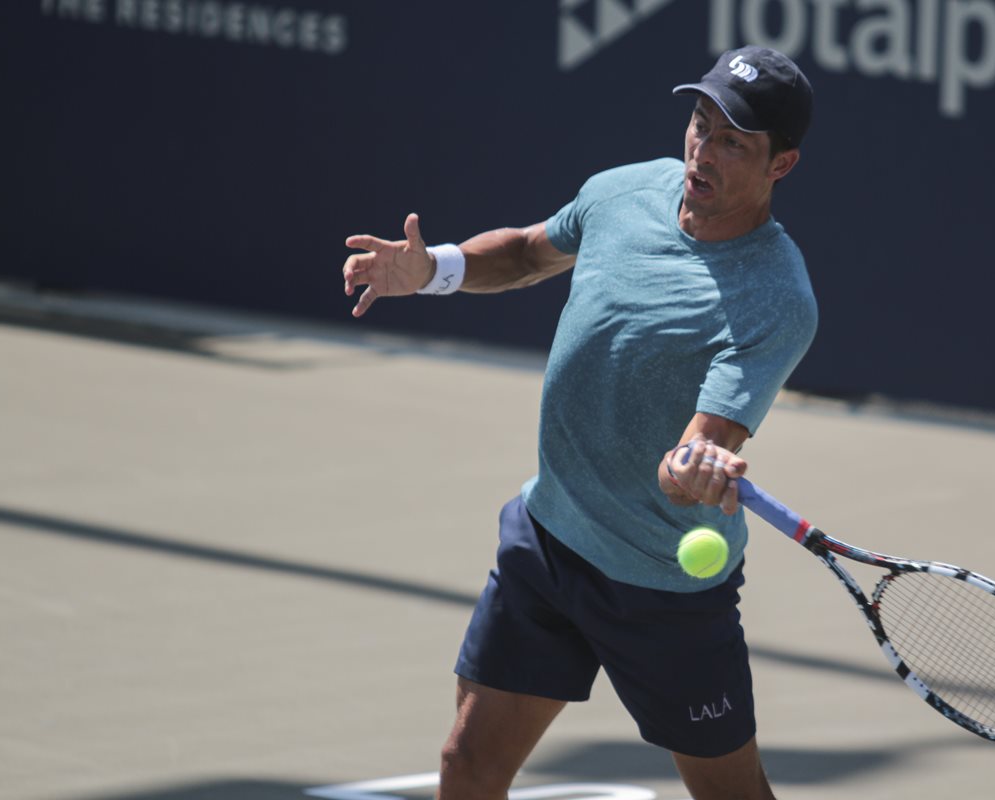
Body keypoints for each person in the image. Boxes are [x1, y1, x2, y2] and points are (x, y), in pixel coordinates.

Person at [342, 46, 817, 800]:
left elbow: (695, 453)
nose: (703, 151)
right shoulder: (624, 191)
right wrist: (434, 270)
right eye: (700, 123)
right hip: (551, 537)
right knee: (467, 765)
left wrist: (693, 469)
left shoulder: (775, 297)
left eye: (733, 142)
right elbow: (528, 253)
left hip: (661, 588)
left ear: (780, 165)